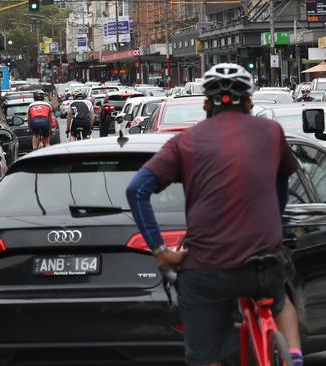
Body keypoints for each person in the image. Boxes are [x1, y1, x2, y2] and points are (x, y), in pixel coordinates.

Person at [125, 63, 303, 366]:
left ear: (206, 104)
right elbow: (281, 191)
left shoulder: (185, 142)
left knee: (205, 353)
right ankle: (295, 357)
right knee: (281, 301)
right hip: (263, 265)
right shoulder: (272, 132)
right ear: (249, 101)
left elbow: (136, 190)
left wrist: (159, 250)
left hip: (207, 269)